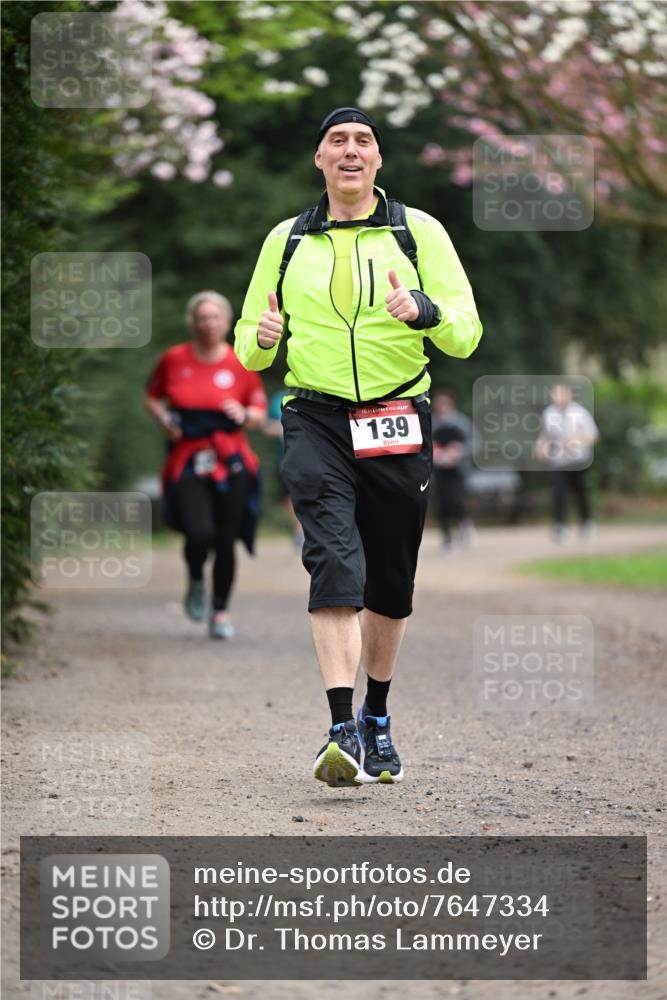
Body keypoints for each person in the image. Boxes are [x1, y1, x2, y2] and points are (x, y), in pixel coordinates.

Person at [234, 107, 482, 786]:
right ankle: (339, 726)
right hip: (313, 413)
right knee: (333, 558)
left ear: (377, 161)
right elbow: (247, 346)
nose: (349, 151)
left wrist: (425, 312)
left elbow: (466, 332)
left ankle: (376, 715)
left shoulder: (417, 232)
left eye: (362, 142)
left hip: (397, 412)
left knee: (390, 580)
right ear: (318, 159)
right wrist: (260, 336)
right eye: (336, 141)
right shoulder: (285, 240)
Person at [145, 291, 267, 638]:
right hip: (188, 456)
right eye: (203, 317)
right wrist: (163, 418)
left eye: (215, 317)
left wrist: (244, 413)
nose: (209, 323)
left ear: (227, 323)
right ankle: (197, 577)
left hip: (231, 458)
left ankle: (220, 612)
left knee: (226, 539)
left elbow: (258, 415)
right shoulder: (173, 359)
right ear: (193, 322)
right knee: (199, 532)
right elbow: (152, 398)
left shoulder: (241, 363)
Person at [535, 383, 598, 541]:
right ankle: (560, 526)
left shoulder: (580, 413)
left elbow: (592, 435)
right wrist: (541, 447)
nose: (558, 397)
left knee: (581, 493)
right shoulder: (549, 413)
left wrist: (575, 440)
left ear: (569, 395)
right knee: (559, 494)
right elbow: (546, 434)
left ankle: (586, 523)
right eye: (555, 394)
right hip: (559, 461)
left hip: (579, 461)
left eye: (561, 394)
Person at [431, 390, 475, 550]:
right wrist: (435, 454)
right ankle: (447, 539)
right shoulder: (432, 423)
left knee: (458, 501)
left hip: (458, 471)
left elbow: (473, 442)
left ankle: (465, 526)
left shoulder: (461, 422)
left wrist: (459, 451)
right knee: (442, 505)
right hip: (439, 472)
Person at [265, 388, 304, 548]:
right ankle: (299, 531)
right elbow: (266, 425)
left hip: (310, 456)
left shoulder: (314, 394)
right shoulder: (278, 399)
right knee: (288, 496)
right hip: (284, 457)